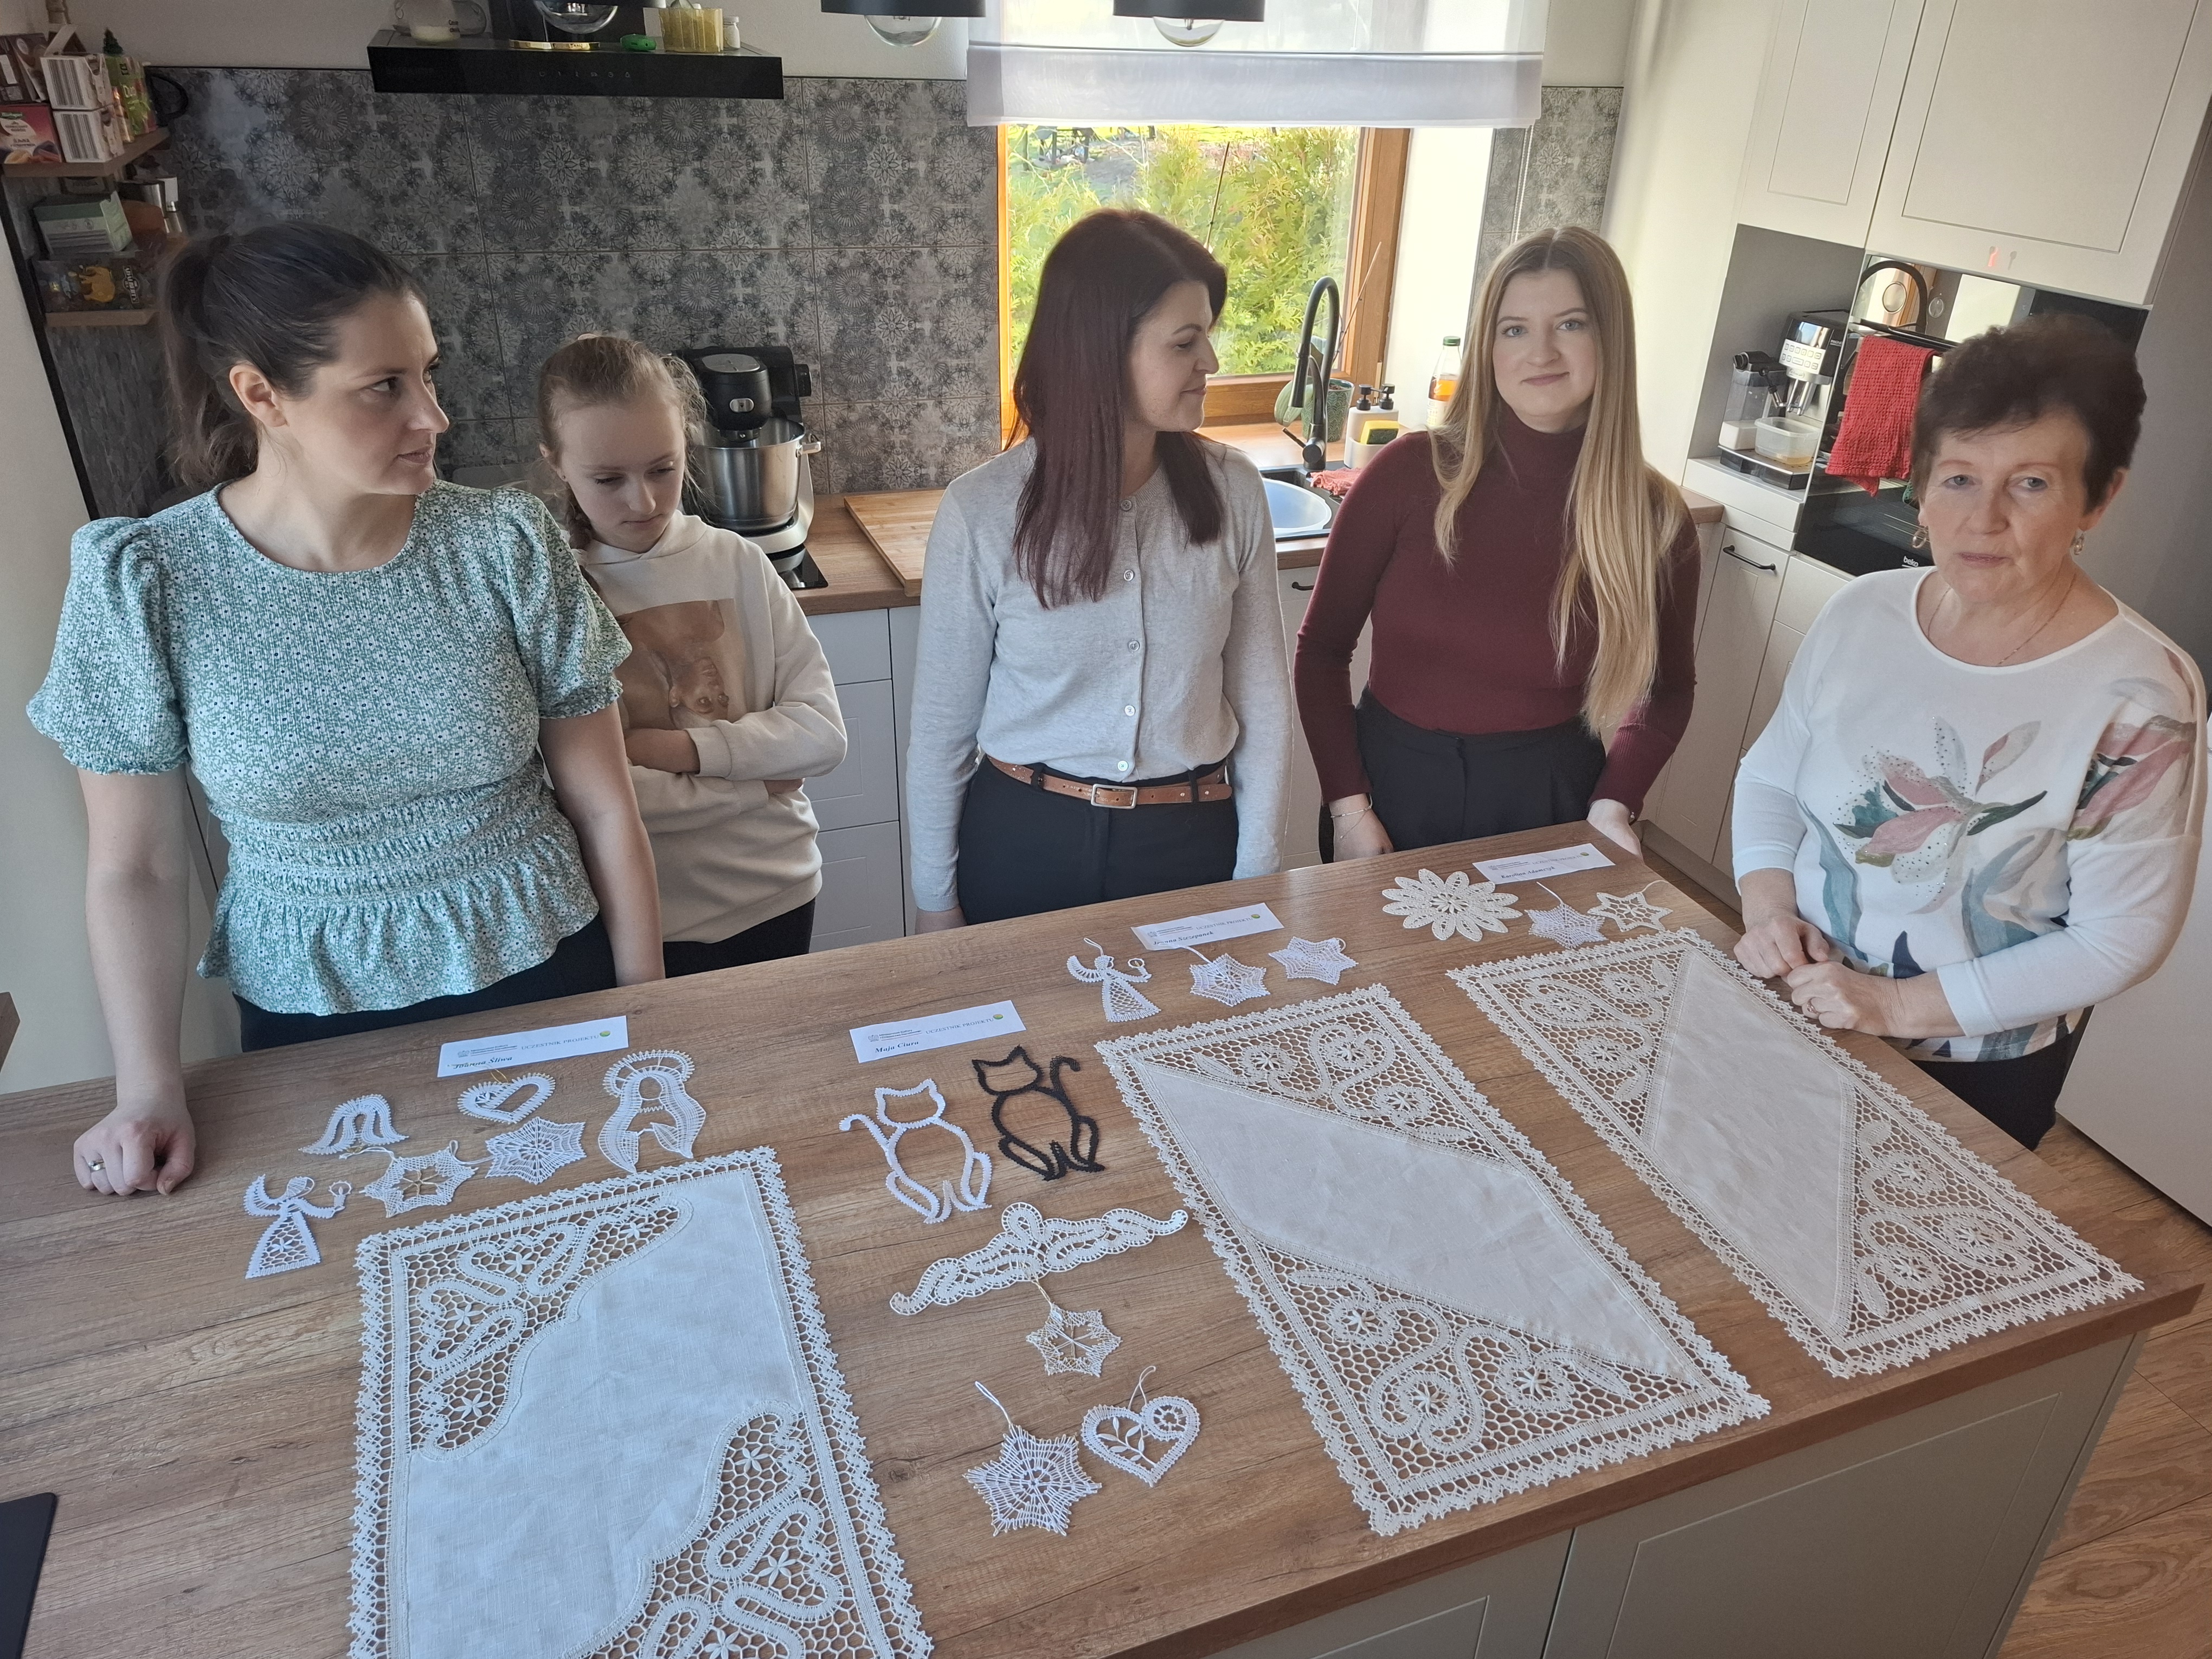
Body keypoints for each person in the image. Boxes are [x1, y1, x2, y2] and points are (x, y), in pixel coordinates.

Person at [29, 224, 663, 1199]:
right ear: (261, 395)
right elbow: (135, 867)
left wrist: (649, 1005)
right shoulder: (148, 581)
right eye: (384, 387)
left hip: (545, 965)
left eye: (429, 375)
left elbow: (605, 803)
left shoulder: (502, 542)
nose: (433, 416)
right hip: (310, 1014)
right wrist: (147, 1090)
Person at [1732, 312, 2204, 1149]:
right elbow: (1772, 776)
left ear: (2099, 496)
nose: (1982, 518)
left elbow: (2120, 937)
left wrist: (1893, 1005)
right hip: (1800, 1007)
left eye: (2031, 484)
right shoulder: (1861, 613)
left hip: (1971, 1072)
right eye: (1958, 477)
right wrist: (1770, 911)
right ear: (1921, 483)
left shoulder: (2141, 695)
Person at [905, 209, 1293, 928]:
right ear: (1101, 351)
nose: (1211, 362)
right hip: (1023, 843)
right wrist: (935, 901)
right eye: (1185, 342)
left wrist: (1258, 873)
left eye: (1207, 336)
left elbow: (1264, 704)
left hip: (1190, 840)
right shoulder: (982, 511)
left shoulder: (1234, 489)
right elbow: (941, 733)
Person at [1295, 227, 1698, 861]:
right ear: (1487, 345)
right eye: (1514, 330)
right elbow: (1321, 651)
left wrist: (1615, 802)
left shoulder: (1653, 516)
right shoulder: (1407, 474)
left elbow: (1667, 689)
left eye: (1570, 325)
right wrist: (1348, 807)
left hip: (1553, 801)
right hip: (1386, 796)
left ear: (1611, 340)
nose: (1540, 353)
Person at [537, 333, 846, 975]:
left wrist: (676, 751)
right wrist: (757, 783)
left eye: (663, 469)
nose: (644, 501)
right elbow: (589, 799)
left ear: (688, 444)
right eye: (608, 479)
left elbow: (822, 738)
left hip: (781, 888)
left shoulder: (738, 561)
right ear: (556, 464)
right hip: (647, 919)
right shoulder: (551, 593)